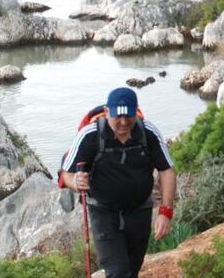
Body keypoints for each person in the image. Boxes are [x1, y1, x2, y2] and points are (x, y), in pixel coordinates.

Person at [63, 87, 176, 278]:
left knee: (132, 270)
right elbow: (67, 173)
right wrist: (75, 181)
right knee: (118, 272)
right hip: (104, 213)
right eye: (118, 117)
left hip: (140, 211)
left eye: (129, 116)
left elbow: (167, 170)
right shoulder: (90, 135)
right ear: (107, 112)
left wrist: (165, 212)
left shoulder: (148, 133)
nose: (124, 123)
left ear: (136, 111)